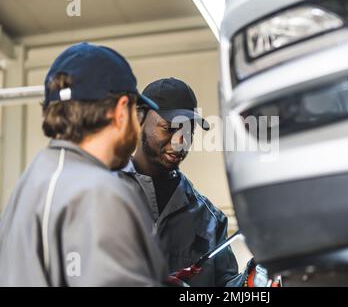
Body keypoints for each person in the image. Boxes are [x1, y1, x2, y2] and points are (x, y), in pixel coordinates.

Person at [0, 43, 168, 286]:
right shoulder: (98, 193)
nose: (136, 122)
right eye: (137, 112)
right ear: (121, 111)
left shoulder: (31, 180)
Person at [120, 77, 262, 287]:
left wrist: (255, 280)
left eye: (187, 131)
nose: (179, 142)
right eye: (168, 128)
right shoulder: (102, 195)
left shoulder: (209, 220)